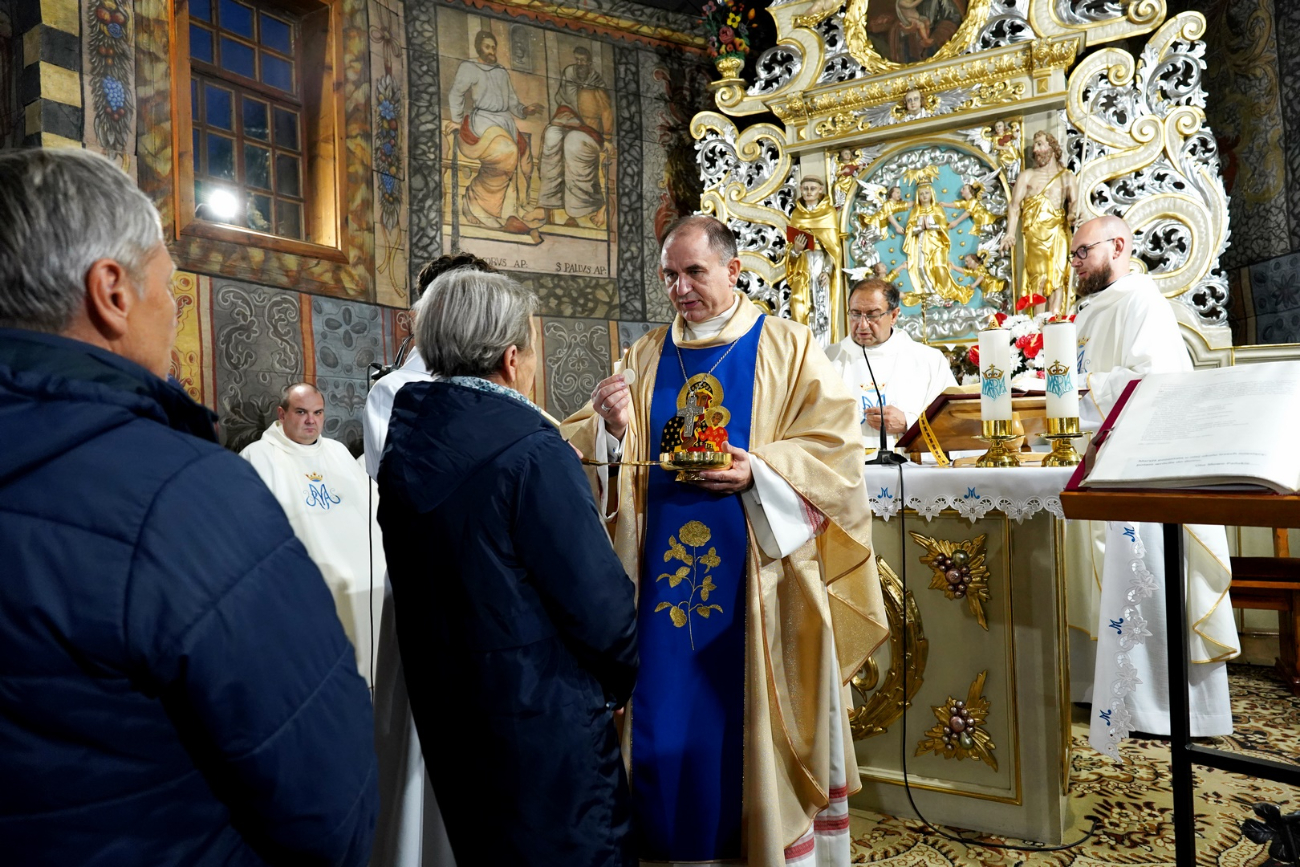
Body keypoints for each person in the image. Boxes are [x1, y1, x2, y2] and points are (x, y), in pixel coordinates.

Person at [0, 148, 377, 864]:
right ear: (111, 290)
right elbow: (326, 792)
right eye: (168, 287)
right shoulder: (190, 491)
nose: (174, 311)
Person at [565, 216, 887, 866]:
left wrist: (758, 470)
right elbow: (591, 452)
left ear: (733, 270)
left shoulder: (788, 347)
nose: (680, 288)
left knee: (744, 736)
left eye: (694, 273)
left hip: (759, 591)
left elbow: (837, 455)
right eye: (669, 276)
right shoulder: (645, 355)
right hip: (658, 593)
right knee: (662, 732)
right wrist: (614, 428)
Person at [377, 269, 639, 867]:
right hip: (542, 718)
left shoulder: (408, 439)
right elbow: (600, 606)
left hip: (453, 710)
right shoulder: (532, 449)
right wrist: (619, 679)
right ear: (511, 356)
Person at [1068, 214, 1238, 759]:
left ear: (1118, 246)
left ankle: (1161, 704)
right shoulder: (1090, 311)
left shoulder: (1142, 303)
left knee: (1148, 581)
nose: (1073, 265)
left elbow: (1154, 379)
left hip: (1143, 467)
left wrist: (1075, 387)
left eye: (1082, 253)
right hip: (1098, 463)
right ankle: (1103, 691)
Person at [364, 253, 496, 867]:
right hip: (429, 582)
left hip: (493, 591)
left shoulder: (497, 385)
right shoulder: (394, 391)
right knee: (421, 733)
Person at [241, 383, 385, 685]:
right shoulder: (258, 456)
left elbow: (373, 505)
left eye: (318, 413)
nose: (311, 421)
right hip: (307, 568)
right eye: (301, 412)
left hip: (359, 563)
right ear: (282, 414)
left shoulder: (338, 452)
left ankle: (376, 682)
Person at [827, 278, 957, 451]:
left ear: (894, 315)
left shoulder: (929, 361)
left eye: (873, 315)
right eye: (856, 314)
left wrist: (907, 423)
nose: (862, 325)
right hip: (845, 470)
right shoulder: (826, 359)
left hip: (909, 471)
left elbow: (952, 422)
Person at [447, 30, 544, 234]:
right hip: (482, 121)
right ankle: (477, 204)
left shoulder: (500, 71)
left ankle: (514, 209)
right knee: (506, 153)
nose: (491, 51)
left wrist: (525, 110)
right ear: (478, 48)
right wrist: (456, 121)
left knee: (525, 160)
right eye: (487, 47)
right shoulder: (469, 67)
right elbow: (456, 93)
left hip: (505, 122)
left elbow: (512, 102)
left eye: (493, 47)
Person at [1003, 130, 1079, 317]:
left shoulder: (1067, 177)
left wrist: (1073, 215)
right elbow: (1014, 207)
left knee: (1059, 276)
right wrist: (1010, 233)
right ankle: (1037, 324)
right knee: (1038, 277)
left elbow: (1075, 205)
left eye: (1040, 144)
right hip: (1035, 235)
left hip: (1059, 232)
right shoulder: (1027, 176)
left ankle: (1056, 319)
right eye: (1035, 145)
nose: (1035, 150)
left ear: (1052, 148)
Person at [539, 46, 614, 228]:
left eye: (583, 60)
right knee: (551, 134)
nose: (579, 63)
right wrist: (565, 119)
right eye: (577, 59)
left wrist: (608, 139)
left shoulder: (597, 86)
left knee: (573, 142)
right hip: (570, 126)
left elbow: (606, 113)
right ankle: (549, 202)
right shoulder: (569, 78)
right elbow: (564, 104)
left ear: (589, 63)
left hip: (591, 134)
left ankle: (580, 208)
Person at [785, 175, 845, 344]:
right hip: (803, 267)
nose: (809, 192)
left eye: (812, 188)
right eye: (805, 188)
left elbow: (833, 249)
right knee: (799, 305)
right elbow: (790, 250)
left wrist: (827, 271)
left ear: (820, 191)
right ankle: (803, 346)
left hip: (820, 264)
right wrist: (796, 249)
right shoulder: (797, 214)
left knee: (821, 306)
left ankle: (822, 347)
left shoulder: (828, 213)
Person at [902, 181, 971, 305]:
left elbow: (943, 227)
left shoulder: (937, 209)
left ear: (931, 194)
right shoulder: (915, 211)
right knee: (921, 267)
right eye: (921, 194)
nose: (924, 196)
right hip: (921, 243)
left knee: (939, 267)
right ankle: (932, 293)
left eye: (926, 193)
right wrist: (920, 228)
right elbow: (909, 229)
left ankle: (946, 293)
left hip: (936, 243)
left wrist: (931, 226)